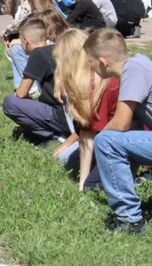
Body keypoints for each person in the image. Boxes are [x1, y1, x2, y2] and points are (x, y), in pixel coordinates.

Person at [87, 29, 152, 233]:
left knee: (106, 141)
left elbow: (121, 124)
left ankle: (130, 220)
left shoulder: (133, 70)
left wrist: (99, 139)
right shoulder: (139, 65)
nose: (90, 68)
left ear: (102, 61)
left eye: (90, 62)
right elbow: (133, 128)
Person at [51, 28, 117, 192]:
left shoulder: (97, 85)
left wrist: (83, 183)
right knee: (65, 157)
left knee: (90, 185)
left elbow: (89, 137)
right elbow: (86, 131)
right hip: (105, 139)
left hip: (118, 143)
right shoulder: (89, 79)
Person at [2, 16, 72, 144]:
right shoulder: (56, 49)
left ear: (25, 40)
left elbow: (22, 93)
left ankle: (49, 135)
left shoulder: (37, 54)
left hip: (61, 115)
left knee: (10, 103)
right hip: (73, 113)